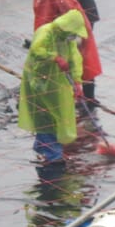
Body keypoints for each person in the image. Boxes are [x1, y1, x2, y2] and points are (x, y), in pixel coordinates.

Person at [27, 0, 102, 112]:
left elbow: (71, 13)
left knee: (82, 66)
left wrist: (74, 35)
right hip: (55, 38)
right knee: (63, 68)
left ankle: (88, 100)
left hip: (69, 36)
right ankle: (75, 98)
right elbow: (40, 20)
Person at [18, 9, 87, 165]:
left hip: (56, 81)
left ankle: (42, 145)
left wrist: (77, 82)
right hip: (38, 81)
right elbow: (37, 50)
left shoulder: (67, 40)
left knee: (57, 114)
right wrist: (54, 57)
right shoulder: (46, 31)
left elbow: (75, 60)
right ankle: (53, 155)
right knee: (45, 116)